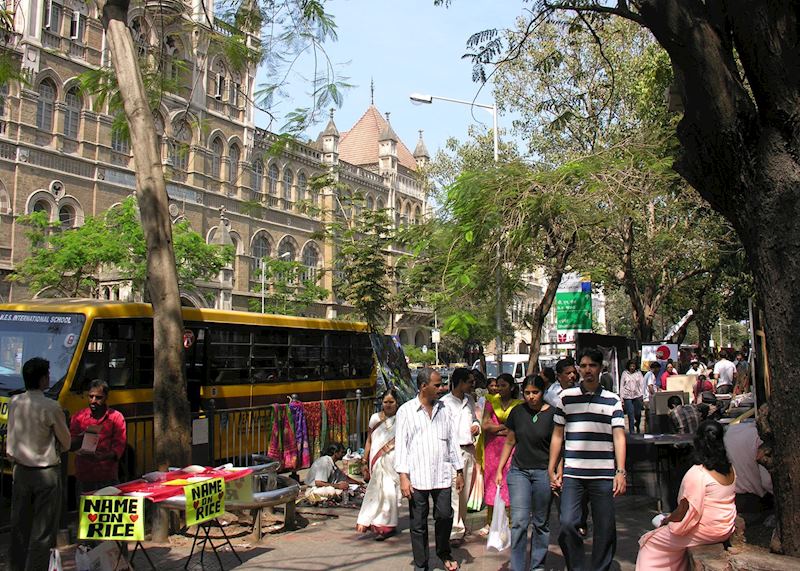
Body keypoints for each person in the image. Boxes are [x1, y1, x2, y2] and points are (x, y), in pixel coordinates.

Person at [549, 347, 627, 571]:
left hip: (603, 474)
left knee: (605, 527)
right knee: (567, 524)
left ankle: (600, 567)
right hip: (573, 474)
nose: (587, 370)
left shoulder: (613, 400)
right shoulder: (566, 398)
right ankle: (577, 566)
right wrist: (552, 467)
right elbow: (557, 435)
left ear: (600, 368)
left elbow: (619, 437)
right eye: (583, 366)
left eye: (592, 366)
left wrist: (620, 471)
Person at [636, 421, 737, 570]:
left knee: (649, 542)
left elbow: (683, 512)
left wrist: (667, 520)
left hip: (706, 530)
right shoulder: (730, 468)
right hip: (726, 526)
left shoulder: (698, 473)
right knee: (674, 544)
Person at [395, 368, 463, 571]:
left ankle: (443, 551)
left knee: (444, 515)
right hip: (417, 477)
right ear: (424, 386)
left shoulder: (446, 410)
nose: (441, 388)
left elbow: (453, 442)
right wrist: (403, 477)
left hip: (441, 475)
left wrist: (459, 471)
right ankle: (421, 563)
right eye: (437, 385)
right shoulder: (406, 411)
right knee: (418, 523)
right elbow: (401, 446)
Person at [7, 357, 71, 571]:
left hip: (21, 471)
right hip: (46, 472)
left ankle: (14, 567)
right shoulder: (51, 406)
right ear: (43, 379)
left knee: (19, 528)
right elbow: (67, 441)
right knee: (42, 533)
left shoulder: (14, 402)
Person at [495, 375, 555, 571]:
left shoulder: (553, 414)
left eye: (535, 392)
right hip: (519, 472)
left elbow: (558, 447)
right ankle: (518, 567)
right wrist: (500, 469)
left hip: (543, 473)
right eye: (527, 393)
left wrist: (556, 472)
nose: (531, 397)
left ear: (542, 392)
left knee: (540, 523)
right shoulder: (517, 412)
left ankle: (538, 566)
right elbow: (510, 441)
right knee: (519, 522)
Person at [478, 373, 523, 536]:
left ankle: (510, 521)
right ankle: (490, 522)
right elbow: (485, 425)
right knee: (491, 484)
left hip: (511, 449)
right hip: (492, 449)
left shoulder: (518, 405)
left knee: (510, 483)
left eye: (503, 385)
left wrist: (500, 428)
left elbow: (518, 428)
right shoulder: (491, 402)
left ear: (511, 387)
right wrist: (503, 428)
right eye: (497, 385)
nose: (499, 389)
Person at [440, 368, 481, 541]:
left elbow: (474, 419)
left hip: (469, 450)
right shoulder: (444, 403)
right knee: (456, 491)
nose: (473, 385)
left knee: (465, 493)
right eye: (470, 382)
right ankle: (455, 531)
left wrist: (476, 425)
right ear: (460, 382)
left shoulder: (470, 400)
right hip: (452, 452)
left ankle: (461, 525)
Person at [69, 379, 127, 496]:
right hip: (84, 475)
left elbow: (119, 446)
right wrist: (80, 439)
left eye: (98, 397)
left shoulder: (116, 418)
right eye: (91, 397)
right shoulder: (79, 417)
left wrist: (103, 457)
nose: (93, 401)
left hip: (107, 476)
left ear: (106, 397)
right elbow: (70, 443)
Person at [357, 389, 400, 539]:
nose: (388, 405)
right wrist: (364, 460)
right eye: (385, 402)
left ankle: (387, 524)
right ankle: (380, 524)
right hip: (377, 460)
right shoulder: (375, 418)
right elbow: (369, 440)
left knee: (390, 493)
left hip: (393, 461)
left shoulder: (401, 419)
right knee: (378, 491)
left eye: (391, 402)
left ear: (397, 403)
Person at [620, 360, 645, 434]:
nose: (632, 368)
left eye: (633, 366)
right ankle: (632, 431)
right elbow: (622, 386)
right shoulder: (624, 373)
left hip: (637, 396)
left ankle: (637, 424)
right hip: (627, 396)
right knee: (630, 414)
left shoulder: (638, 373)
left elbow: (642, 385)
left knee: (638, 414)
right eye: (631, 366)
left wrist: (642, 395)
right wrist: (621, 398)